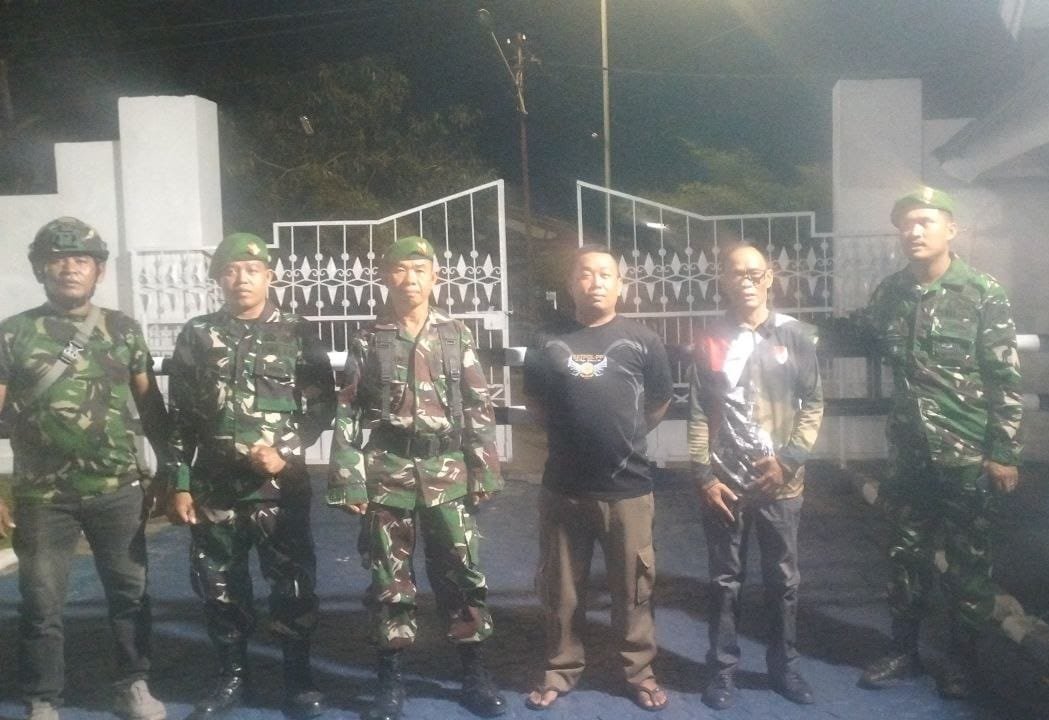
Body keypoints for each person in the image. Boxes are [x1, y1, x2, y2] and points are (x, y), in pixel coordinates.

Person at [328, 236, 506, 720]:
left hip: (447, 471)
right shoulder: (369, 338)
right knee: (389, 579)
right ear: (387, 277)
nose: (410, 279)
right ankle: (390, 680)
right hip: (388, 470)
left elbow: (478, 404)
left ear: (435, 277)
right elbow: (348, 408)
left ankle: (473, 672)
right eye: (401, 270)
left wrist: (484, 469)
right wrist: (348, 476)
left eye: (420, 270)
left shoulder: (455, 334)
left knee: (462, 572)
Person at [0, 217, 170, 720]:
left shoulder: (122, 329)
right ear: (40, 268)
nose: (70, 268)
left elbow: (151, 406)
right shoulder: (13, 334)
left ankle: (133, 684)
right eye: (58, 259)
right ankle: (43, 697)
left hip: (118, 490)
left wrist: (171, 471)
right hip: (42, 496)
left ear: (99, 270)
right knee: (41, 602)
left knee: (130, 595)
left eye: (81, 259)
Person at [857, 186, 1023, 699]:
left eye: (925, 221)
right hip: (909, 456)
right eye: (906, 224)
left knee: (968, 565)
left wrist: (1004, 452)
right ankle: (903, 651)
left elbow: (1004, 376)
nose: (914, 231)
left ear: (951, 229)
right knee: (905, 557)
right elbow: (863, 336)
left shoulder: (982, 292)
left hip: (966, 454)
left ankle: (963, 662)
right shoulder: (889, 294)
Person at [165, 232, 336, 720]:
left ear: (269, 276)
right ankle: (231, 675)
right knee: (219, 584)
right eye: (231, 270)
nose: (242, 278)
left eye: (252, 270)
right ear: (219, 279)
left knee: (292, 583)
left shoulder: (298, 331)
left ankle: (298, 678)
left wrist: (285, 452)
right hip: (215, 487)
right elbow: (180, 418)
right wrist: (180, 482)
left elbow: (322, 406)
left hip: (280, 489)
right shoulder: (197, 334)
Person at [522, 245, 673, 713]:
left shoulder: (643, 340)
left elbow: (659, 403)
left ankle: (639, 672)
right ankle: (560, 669)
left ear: (620, 285)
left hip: (629, 489)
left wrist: (623, 440)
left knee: (634, 589)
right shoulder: (546, 340)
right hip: (564, 488)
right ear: (572, 284)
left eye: (606, 274)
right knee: (561, 590)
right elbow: (536, 404)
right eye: (586, 274)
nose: (596, 282)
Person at [687, 243, 825, 710]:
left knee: (783, 582)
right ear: (723, 280)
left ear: (770, 277)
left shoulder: (797, 336)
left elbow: (814, 403)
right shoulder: (709, 339)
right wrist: (704, 476)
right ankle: (722, 671)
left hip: (781, 483)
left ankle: (785, 669)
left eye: (754, 272)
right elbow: (698, 411)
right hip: (724, 485)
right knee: (724, 581)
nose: (745, 280)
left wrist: (789, 460)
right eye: (735, 272)